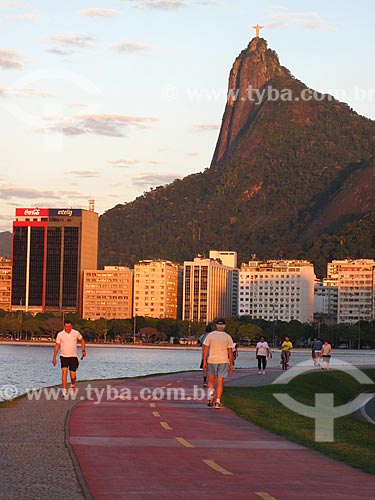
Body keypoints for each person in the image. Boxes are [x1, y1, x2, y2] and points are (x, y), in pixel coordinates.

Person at [203, 318, 234, 409]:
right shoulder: (228, 337)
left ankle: (210, 397)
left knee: (211, 381)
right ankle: (218, 401)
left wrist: (204, 360)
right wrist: (231, 364)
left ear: (216, 325)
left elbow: (205, 349)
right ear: (224, 326)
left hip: (212, 360)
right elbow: (230, 352)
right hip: (224, 360)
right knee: (220, 381)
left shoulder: (210, 335)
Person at [52, 320, 86, 397]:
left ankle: (72, 385)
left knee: (73, 375)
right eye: (67, 327)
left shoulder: (75, 333)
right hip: (63, 356)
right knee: (64, 372)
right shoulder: (60, 334)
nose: (68, 328)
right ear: (64, 326)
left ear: (71, 326)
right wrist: (54, 357)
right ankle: (64, 391)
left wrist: (83, 350)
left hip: (73, 356)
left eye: (69, 327)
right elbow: (57, 346)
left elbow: (82, 340)